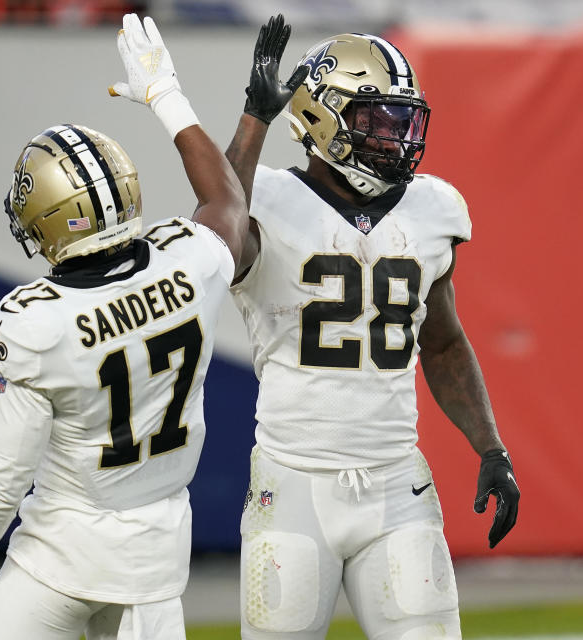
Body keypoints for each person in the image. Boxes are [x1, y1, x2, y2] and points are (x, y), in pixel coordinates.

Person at [0, 13, 247, 639]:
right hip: (156, 563)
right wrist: (165, 97)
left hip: (57, 562)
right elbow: (228, 201)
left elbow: (0, 482)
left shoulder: (34, 322)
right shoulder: (194, 262)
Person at [225, 15, 520, 639]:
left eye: (402, 121)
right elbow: (218, 221)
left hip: (396, 484)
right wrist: (256, 117)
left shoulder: (433, 208)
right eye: (375, 121)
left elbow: (441, 342)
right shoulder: (268, 197)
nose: (396, 139)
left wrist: (492, 449)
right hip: (293, 480)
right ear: (324, 120)